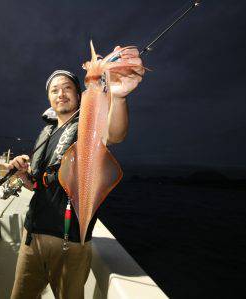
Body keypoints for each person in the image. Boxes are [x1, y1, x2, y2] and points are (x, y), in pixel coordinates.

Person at [8, 46, 144, 299]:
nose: (61, 94)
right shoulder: (46, 133)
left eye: (67, 87)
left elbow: (115, 134)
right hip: (32, 238)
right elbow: (40, 186)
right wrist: (25, 176)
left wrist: (119, 96)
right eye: (54, 90)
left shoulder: (88, 121)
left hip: (69, 243)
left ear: (79, 94)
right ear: (49, 98)